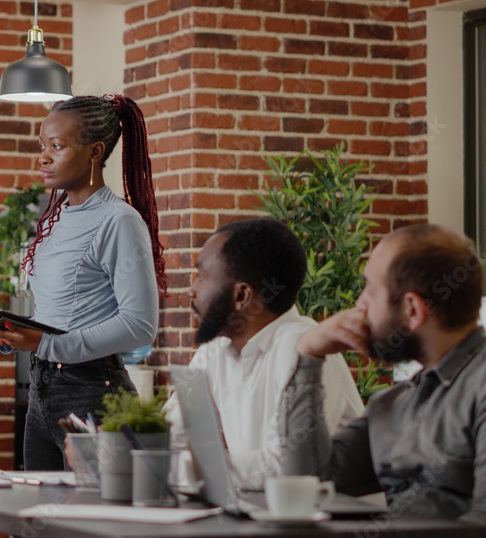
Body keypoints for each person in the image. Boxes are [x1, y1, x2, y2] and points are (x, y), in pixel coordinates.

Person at [0, 94, 165, 475]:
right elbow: (58, 310)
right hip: (41, 392)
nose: (44, 158)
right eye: (42, 146)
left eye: (57, 146)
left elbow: (140, 324)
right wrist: (12, 332)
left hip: (94, 392)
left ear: (95, 151)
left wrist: (48, 343)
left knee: (89, 529)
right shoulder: (56, 219)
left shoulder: (119, 221)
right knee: (48, 528)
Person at [284, 224, 486, 522]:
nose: (359, 305)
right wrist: (309, 357)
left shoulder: (479, 388)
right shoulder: (392, 405)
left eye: (370, 289)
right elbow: (306, 485)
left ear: (413, 311)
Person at [164, 218, 364, 488]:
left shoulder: (305, 351)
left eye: (201, 276)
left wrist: (188, 470)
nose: (191, 289)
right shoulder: (214, 349)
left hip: (333, 522)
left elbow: (287, 467)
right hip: (262, 516)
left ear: (241, 296)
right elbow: (175, 430)